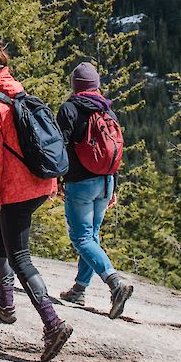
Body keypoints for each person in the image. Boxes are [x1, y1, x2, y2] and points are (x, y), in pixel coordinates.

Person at [0, 38, 74, 362]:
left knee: (19, 256)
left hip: (17, 188)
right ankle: (5, 302)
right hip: (41, 180)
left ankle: (52, 323)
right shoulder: (21, 92)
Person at [55, 62, 136, 319]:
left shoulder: (69, 109)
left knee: (81, 238)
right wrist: (113, 186)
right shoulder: (108, 112)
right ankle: (79, 289)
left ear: (75, 86)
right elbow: (115, 149)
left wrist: (56, 180)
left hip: (80, 183)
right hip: (106, 180)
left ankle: (115, 283)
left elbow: (60, 147)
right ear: (96, 85)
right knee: (93, 235)